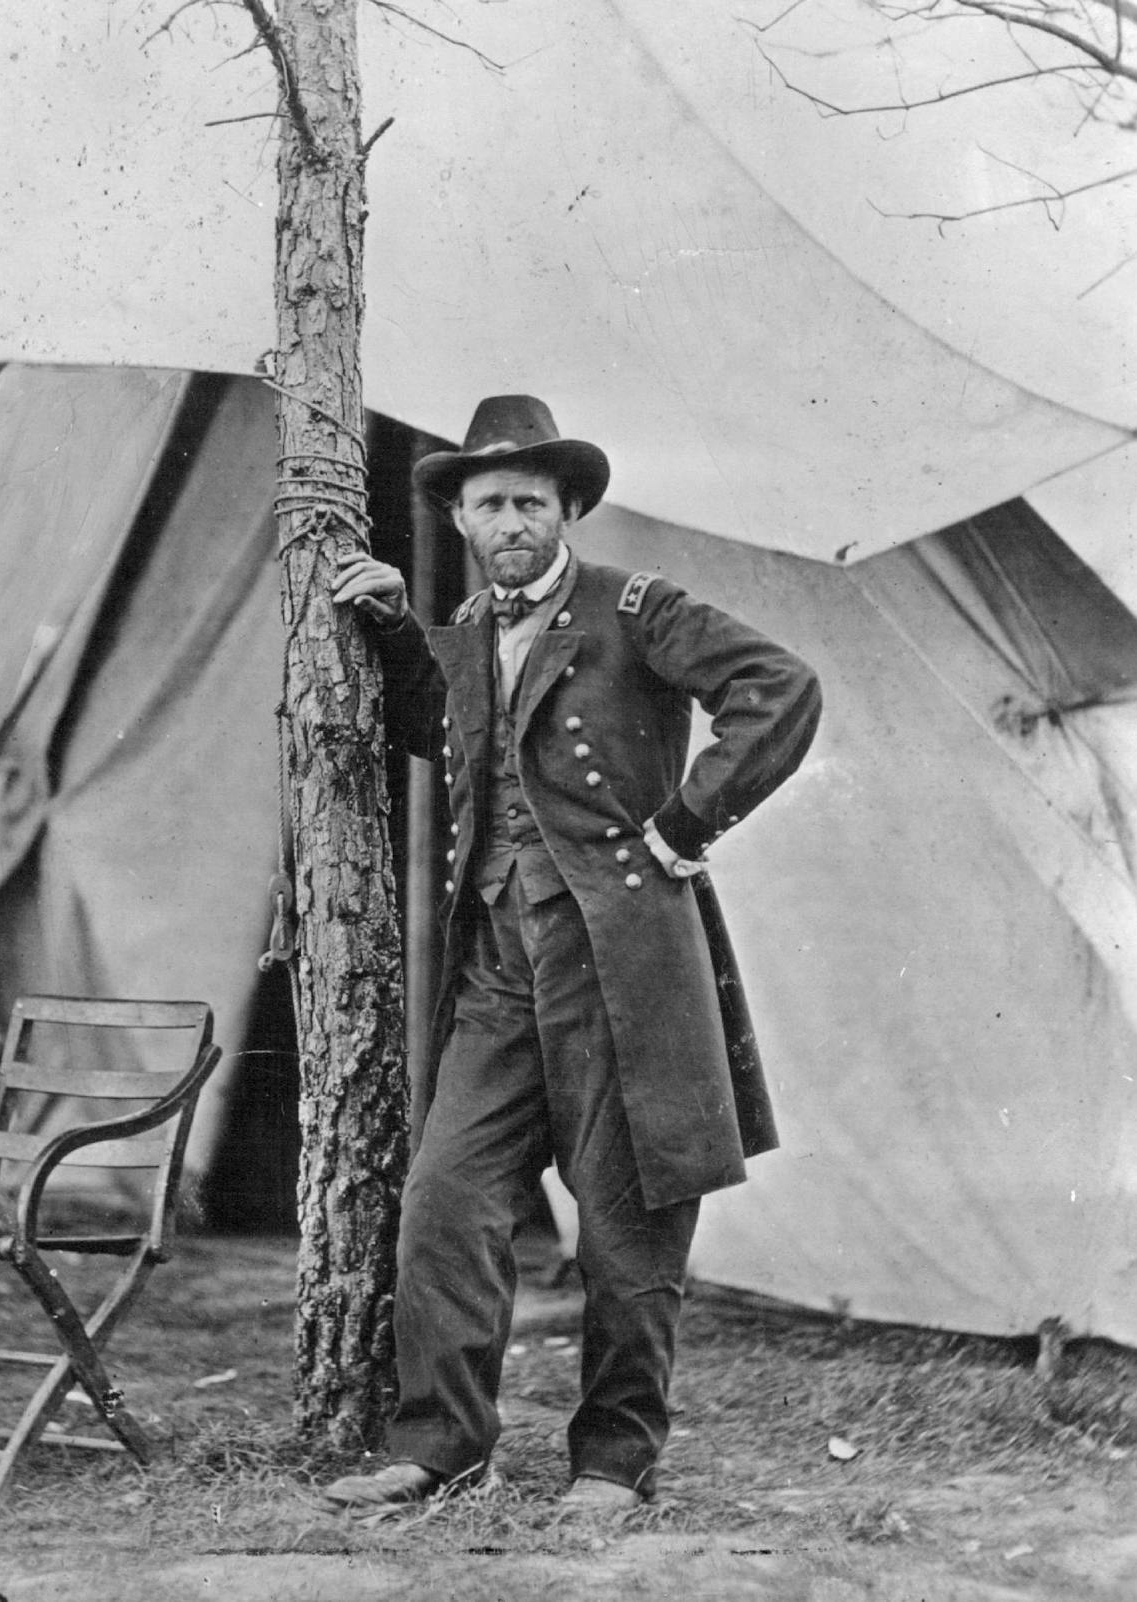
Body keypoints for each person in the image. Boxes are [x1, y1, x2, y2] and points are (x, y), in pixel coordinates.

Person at [324, 395, 822, 1513]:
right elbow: (436, 730)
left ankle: (611, 1464)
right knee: (444, 1202)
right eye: (487, 503)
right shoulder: (467, 622)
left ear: (567, 510)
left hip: (618, 971)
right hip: (497, 975)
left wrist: (686, 824)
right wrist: (403, 629)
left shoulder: (633, 608)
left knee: (625, 1232)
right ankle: (441, 1447)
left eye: (528, 502)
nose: (508, 522)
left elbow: (779, 687)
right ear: (459, 518)